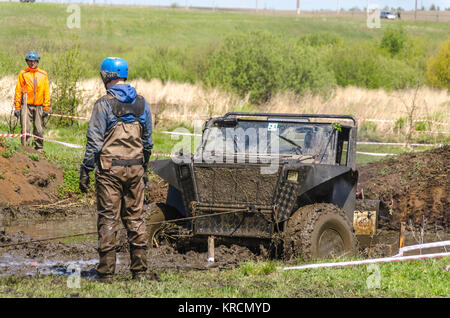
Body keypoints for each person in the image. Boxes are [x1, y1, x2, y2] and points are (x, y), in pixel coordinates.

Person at [79, 57, 153, 282]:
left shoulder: (103, 104)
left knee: (109, 219)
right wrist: (144, 166)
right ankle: (139, 272)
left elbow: (94, 143)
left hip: (109, 171)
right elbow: (148, 142)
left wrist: (85, 170)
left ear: (106, 76)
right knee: (135, 218)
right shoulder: (142, 103)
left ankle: (105, 274)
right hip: (136, 169)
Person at [13, 51, 50, 151]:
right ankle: (26, 149)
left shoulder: (43, 74)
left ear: (37, 61)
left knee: (38, 129)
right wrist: (17, 107)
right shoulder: (23, 74)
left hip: (39, 106)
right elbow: (18, 91)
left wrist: (46, 107)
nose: (32, 63)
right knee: (26, 128)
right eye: (30, 61)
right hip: (25, 105)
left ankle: (39, 149)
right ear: (27, 62)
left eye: (34, 61)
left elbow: (46, 91)